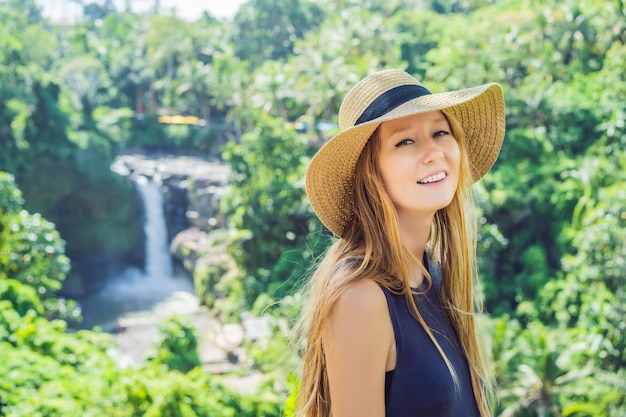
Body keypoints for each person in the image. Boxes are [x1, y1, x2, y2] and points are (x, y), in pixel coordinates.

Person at [295, 69, 505, 417]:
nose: (434, 152)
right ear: (371, 172)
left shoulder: (431, 274)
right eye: (404, 141)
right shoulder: (360, 297)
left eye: (440, 132)